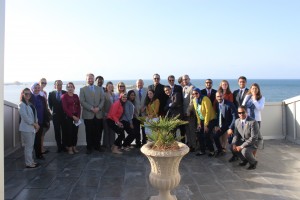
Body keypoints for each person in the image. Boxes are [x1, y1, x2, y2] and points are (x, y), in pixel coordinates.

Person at [80, 73, 105, 154]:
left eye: (91, 78)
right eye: (89, 78)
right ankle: (89, 147)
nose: (90, 80)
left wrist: (98, 108)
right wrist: (91, 108)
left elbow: (102, 100)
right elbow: (82, 101)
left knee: (98, 132)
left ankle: (97, 146)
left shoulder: (99, 89)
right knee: (89, 132)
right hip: (88, 114)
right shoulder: (82, 89)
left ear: (94, 79)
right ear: (86, 80)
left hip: (98, 114)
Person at [230, 106, 259, 170]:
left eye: (243, 112)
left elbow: (253, 138)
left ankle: (253, 162)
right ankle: (244, 160)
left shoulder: (253, 122)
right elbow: (236, 135)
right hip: (244, 140)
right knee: (232, 147)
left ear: (246, 112)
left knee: (244, 151)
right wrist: (234, 143)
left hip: (253, 142)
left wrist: (241, 146)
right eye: (239, 113)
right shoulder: (237, 121)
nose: (241, 114)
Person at [18, 88, 40, 168]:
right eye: (26, 94)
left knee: (31, 146)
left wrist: (36, 123)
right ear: (22, 94)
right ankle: (28, 163)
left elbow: (34, 115)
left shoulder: (30, 104)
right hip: (26, 129)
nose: (28, 95)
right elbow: (25, 117)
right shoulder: (21, 104)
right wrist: (34, 124)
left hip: (32, 128)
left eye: (29, 94)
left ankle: (31, 161)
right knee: (28, 146)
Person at [192, 88, 216, 157]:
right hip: (202, 120)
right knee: (199, 134)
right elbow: (197, 113)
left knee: (206, 134)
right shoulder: (194, 100)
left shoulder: (205, 99)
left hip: (210, 119)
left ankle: (212, 151)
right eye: (193, 94)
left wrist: (205, 125)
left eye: (196, 93)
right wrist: (199, 123)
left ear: (199, 93)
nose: (195, 95)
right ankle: (202, 150)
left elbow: (208, 112)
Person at [29, 83, 50, 160]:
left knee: (38, 139)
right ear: (32, 89)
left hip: (40, 122)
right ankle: (30, 156)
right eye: (35, 88)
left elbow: (45, 110)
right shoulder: (29, 98)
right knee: (31, 140)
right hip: (32, 122)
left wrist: (46, 120)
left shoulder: (42, 98)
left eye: (38, 88)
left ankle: (39, 154)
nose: (37, 89)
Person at [213, 90, 237, 156]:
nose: (219, 98)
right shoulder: (218, 103)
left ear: (223, 96)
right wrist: (217, 125)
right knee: (215, 136)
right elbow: (218, 115)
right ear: (216, 97)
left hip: (231, 124)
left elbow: (235, 117)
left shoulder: (230, 104)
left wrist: (230, 128)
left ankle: (235, 156)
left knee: (231, 141)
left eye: (221, 96)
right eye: (218, 96)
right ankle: (220, 150)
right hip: (223, 124)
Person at [61, 82, 81, 154]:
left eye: (71, 87)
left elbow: (79, 107)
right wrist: (73, 117)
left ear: (74, 88)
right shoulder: (64, 96)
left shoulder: (76, 96)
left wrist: (78, 116)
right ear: (66, 88)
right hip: (68, 117)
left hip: (76, 117)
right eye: (68, 87)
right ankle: (69, 148)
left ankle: (74, 147)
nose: (70, 88)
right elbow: (65, 108)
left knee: (75, 133)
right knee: (69, 133)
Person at [48, 80, 67, 153]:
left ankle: (64, 146)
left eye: (61, 84)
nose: (59, 86)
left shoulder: (65, 93)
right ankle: (59, 147)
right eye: (58, 84)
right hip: (55, 116)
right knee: (57, 132)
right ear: (55, 85)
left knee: (64, 132)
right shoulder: (51, 94)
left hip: (64, 116)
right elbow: (50, 105)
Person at [182, 74, 196, 151]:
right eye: (183, 80)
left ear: (189, 79)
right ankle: (189, 144)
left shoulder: (192, 87)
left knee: (191, 130)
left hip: (190, 113)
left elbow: (192, 101)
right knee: (187, 130)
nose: (185, 81)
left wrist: (188, 110)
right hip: (184, 112)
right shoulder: (184, 88)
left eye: (186, 79)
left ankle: (193, 146)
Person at [102, 81, 117, 149]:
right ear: (106, 87)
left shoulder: (114, 94)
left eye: (111, 86)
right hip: (106, 115)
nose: (110, 87)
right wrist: (105, 114)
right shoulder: (104, 94)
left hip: (113, 116)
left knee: (112, 131)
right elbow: (102, 106)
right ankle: (106, 144)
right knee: (107, 130)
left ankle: (112, 144)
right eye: (109, 86)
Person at [133, 79, 147, 147]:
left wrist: (145, 107)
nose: (140, 84)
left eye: (141, 83)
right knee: (136, 130)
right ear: (136, 84)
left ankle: (144, 142)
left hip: (144, 113)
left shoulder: (146, 91)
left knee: (144, 130)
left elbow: (149, 100)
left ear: (143, 84)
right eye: (138, 83)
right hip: (136, 114)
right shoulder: (133, 91)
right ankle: (137, 143)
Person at [39, 78, 50, 154]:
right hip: (39, 114)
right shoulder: (36, 91)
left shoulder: (45, 93)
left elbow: (46, 104)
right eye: (42, 82)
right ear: (39, 82)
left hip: (45, 113)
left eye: (45, 83)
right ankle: (40, 148)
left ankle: (41, 146)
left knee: (44, 130)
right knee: (41, 132)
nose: (43, 84)